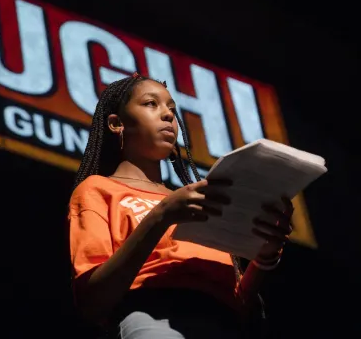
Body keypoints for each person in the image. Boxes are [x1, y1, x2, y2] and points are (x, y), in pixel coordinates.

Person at [68, 72, 294, 338]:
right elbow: (93, 300)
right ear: (117, 124)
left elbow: (240, 302)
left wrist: (265, 254)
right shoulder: (98, 189)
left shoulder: (192, 203)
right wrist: (161, 215)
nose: (168, 115)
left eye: (172, 109)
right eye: (151, 103)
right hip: (153, 316)